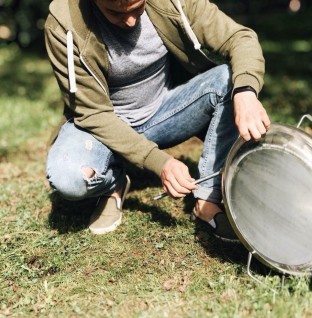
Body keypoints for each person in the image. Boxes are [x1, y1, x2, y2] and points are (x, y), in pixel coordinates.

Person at [44, 0, 270, 241]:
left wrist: (246, 91)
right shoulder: (62, 24)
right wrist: (159, 162)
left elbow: (239, 38)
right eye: (115, 12)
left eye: (136, 8)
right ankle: (112, 185)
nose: (130, 21)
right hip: (100, 127)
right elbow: (93, 114)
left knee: (227, 79)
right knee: (68, 178)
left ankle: (207, 199)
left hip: (163, 113)